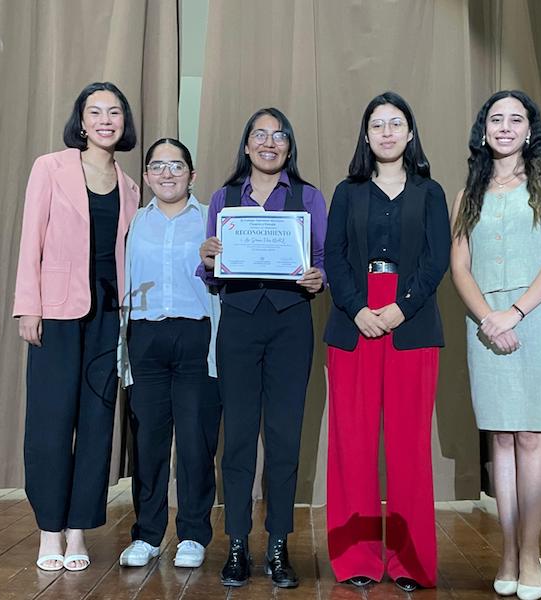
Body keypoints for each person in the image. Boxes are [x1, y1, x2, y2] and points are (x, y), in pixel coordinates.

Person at [450, 90, 541, 600]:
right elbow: (459, 266)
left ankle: (531, 552)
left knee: (531, 436)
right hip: (485, 323)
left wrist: (516, 312)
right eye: (496, 119)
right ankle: (506, 550)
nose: (505, 127)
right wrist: (488, 317)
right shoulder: (468, 194)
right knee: (501, 437)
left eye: (515, 119)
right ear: (484, 131)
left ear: (530, 130)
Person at [324, 91, 451, 593]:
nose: (387, 132)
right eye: (377, 125)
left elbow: (436, 259)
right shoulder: (347, 191)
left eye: (395, 123)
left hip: (411, 322)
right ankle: (354, 557)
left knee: (408, 447)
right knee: (352, 444)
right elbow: (333, 256)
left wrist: (400, 307)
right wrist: (358, 309)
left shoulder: (431, 191)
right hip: (354, 322)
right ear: (366, 134)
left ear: (410, 132)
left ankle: (410, 562)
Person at [198, 107, 327, 588]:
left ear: (289, 147)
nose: (269, 143)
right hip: (238, 323)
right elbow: (212, 272)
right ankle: (235, 543)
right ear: (247, 145)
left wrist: (320, 276)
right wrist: (207, 257)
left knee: (284, 438)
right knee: (238, 439)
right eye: (260, 135)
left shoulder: (309, 197)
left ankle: (278, 546)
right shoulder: (224, 197)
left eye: (279, 136)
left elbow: (320, 260)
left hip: (292, 323)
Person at [13, 81, 139, 572]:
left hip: (111, 318)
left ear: (123, 123)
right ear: (81, 122)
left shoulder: (131, 186)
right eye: (96, 112)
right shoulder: (50, 168)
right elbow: (31, 239)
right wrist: (29, 305)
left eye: (115, 112)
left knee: (95, 425)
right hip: (57, 313)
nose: (106, 120)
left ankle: (78, 530)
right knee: (49, 422)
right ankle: (49, 530)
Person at [116, 138, 221, 569]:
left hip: (196, 336)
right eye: (157, 166)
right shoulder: (133, 222)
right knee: (151, 441)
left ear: (192, 175)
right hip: (145, 337)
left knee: (196, 440)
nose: (167, 174)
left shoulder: (210, 220)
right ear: (146, 176)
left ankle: (193, 533)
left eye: (176, 166)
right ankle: (149, 534)